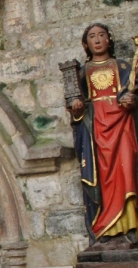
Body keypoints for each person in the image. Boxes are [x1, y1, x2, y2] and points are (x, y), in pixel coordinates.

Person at [70, 23, 138, 250]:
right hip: (96, 130)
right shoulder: (82, 73)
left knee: (127, 171)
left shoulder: (123, 66)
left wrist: (132, 102)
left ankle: (131, 228)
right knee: (102, 177)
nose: (97, 40)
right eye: (92, 36)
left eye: (101, 35)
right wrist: (78, 108)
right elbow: (75, 107)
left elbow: (133, 92)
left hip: (123, 126)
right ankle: (106, 230)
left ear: (109, 39)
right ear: (86, 44)